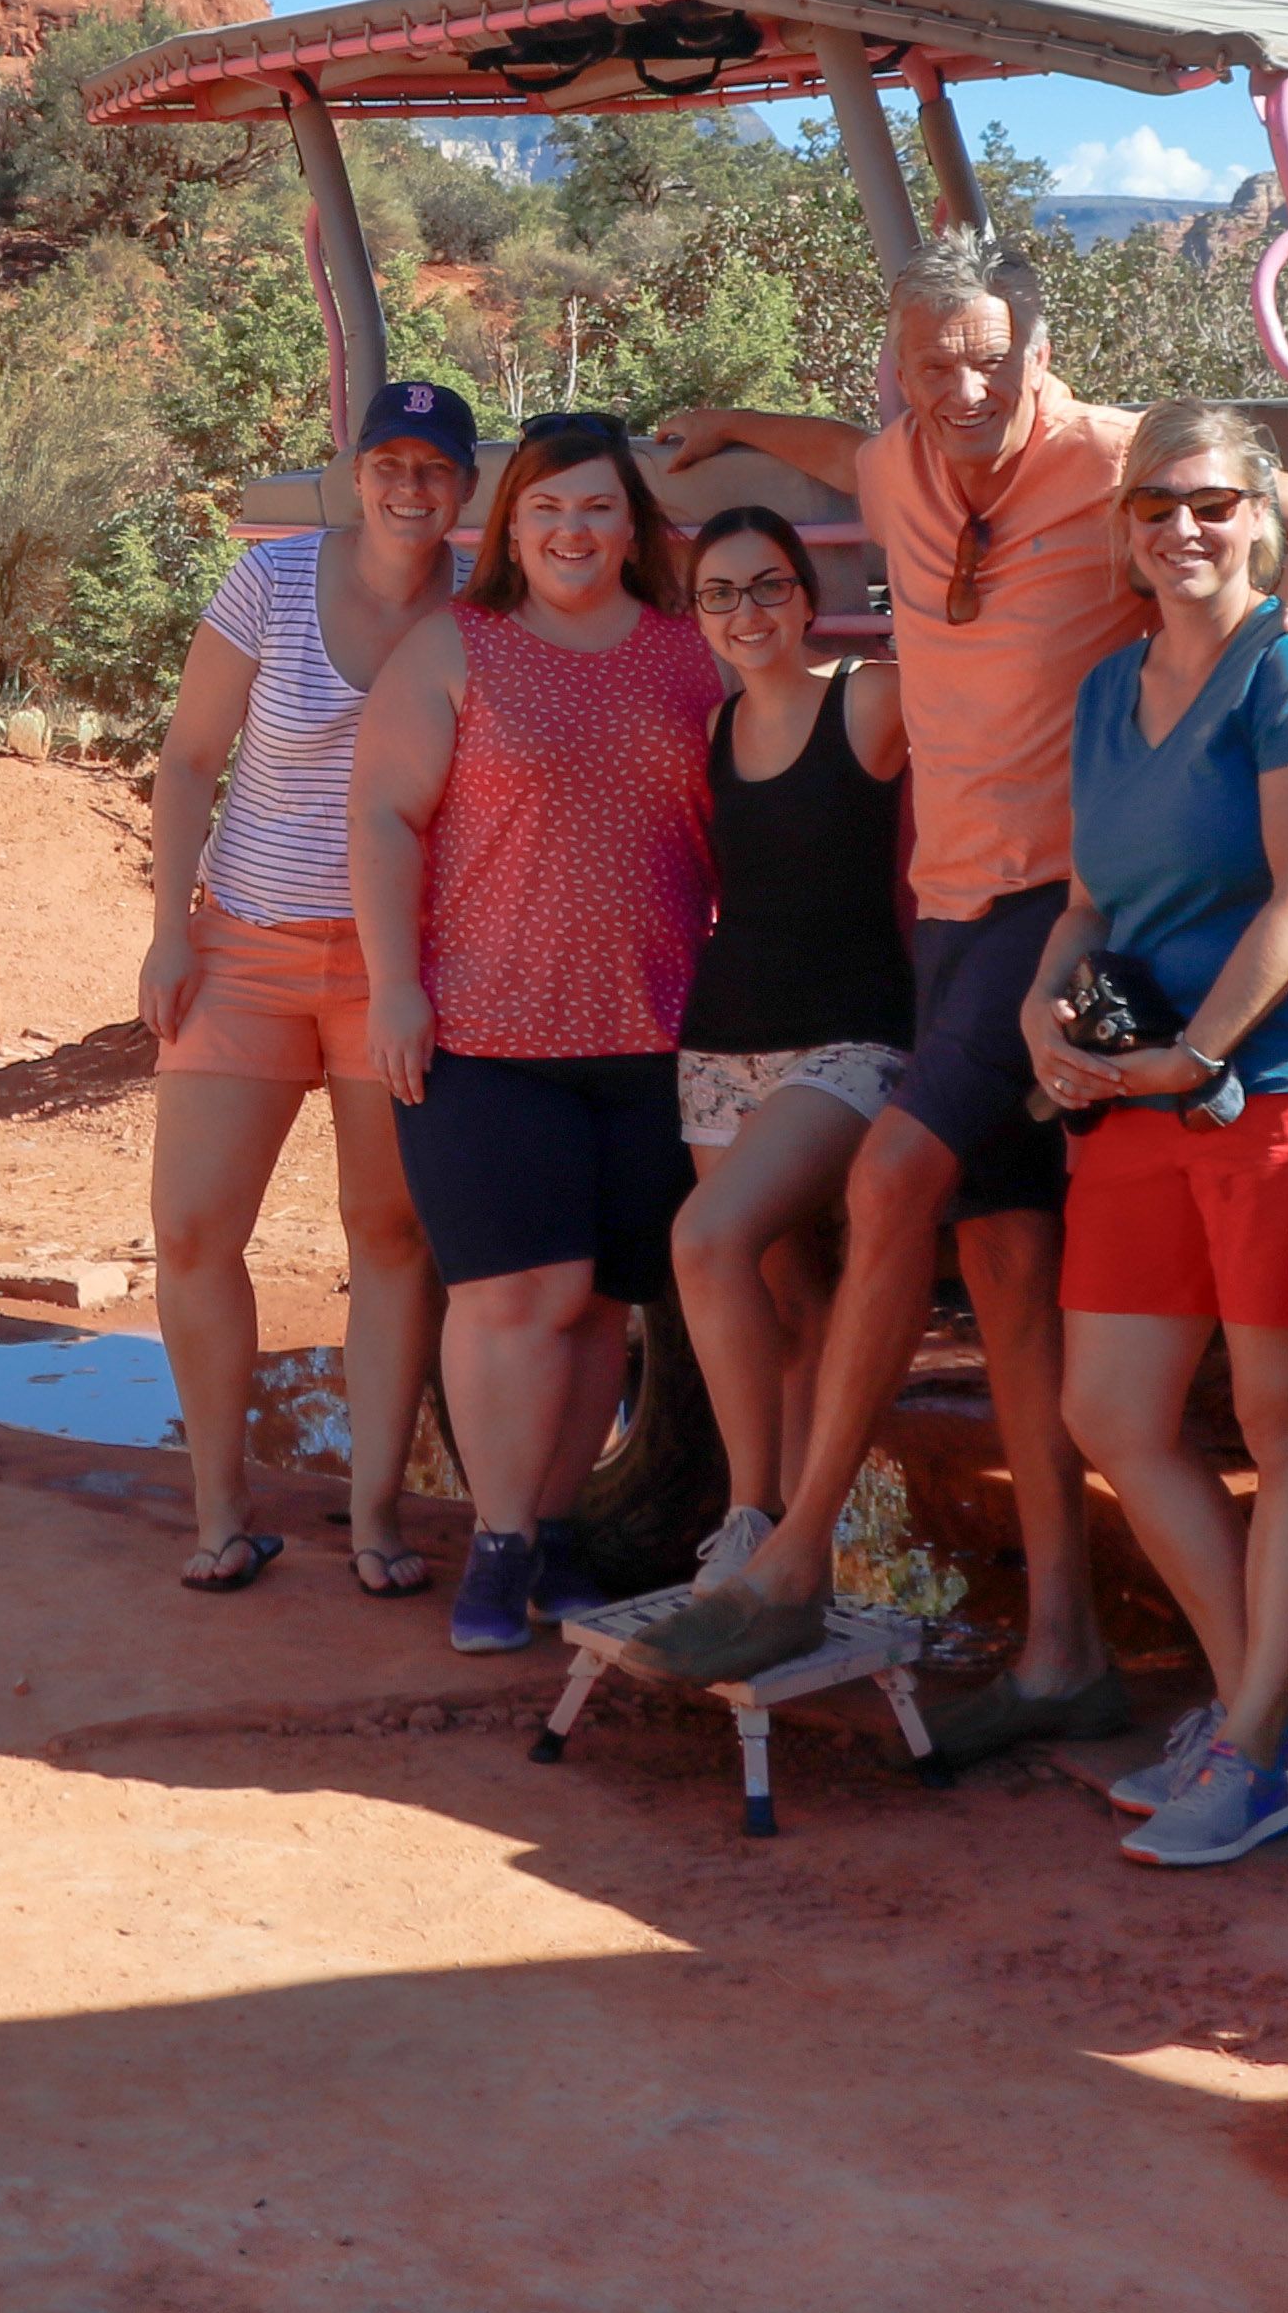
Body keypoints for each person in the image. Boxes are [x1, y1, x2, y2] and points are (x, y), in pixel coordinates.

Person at [614, 231, 1288, 1754]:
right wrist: (737, 423)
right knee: (1014, 1282)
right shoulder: (893, 458)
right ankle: (1061, 1653)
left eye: (983, 354)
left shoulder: (1114, 458)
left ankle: (792, 1556)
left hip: (1061, 915)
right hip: (951, 912)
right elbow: (842, 442)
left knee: (895, 1173)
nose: (956, 383)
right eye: (926, 356)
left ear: (1038, 345)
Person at [1025, 402, 1288, 1869]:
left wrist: (1195, 1053)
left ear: (1263, 513)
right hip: (1139, 1092)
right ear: (1120, 528)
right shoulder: (1108, 689)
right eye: (1150, 506)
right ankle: (1266, 1710)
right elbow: (1087, 903)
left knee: (1286, 1421)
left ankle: (1247, 1743)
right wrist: (1044, 1026)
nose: (1178, 529)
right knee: (1112, 1407)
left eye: (1208, 502)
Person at [348, 410, 718, 1654]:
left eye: (598, 507)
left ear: (634, 527)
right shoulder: (456, 647)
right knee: (516, 1297)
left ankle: (558, 1538)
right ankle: (497, 1547)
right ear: (511, 527)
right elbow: (387, 820)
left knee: (601, 1308)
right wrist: (393, 987)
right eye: (548, 508)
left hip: (651, 1032)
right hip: (481, 1032)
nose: (573, 529)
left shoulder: (689, 653)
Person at [133, 378, 474, 1596]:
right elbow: (185, 760)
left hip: (395, 971)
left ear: (464, 490)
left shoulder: (481, 606)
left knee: (387, 1237)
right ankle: (221, 1513)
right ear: (354, 471)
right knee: (192, 1229)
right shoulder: (272, 582)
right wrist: (170, 933)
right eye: (389, 462)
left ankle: (374, 1515)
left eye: (433, 468)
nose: (407, 486)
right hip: (246, 947)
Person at [657, 505, 911, 1590]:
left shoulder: (871, 698)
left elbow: (1000, 678)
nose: (746, 611)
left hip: (849, 1043)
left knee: (706, 1240)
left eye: (767, 586)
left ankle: (754, 1519)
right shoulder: (707, 733)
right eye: (720, 593)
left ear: (809, 598)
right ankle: (797, 1566)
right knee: (784, 1304)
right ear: (698, 615)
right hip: (719, 1050)